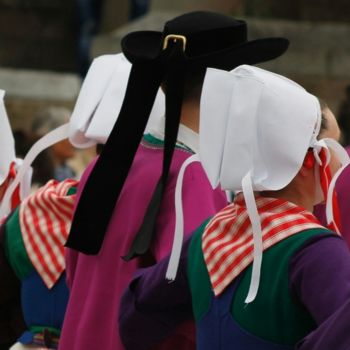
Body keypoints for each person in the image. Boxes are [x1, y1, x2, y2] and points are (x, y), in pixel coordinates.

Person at [59, 11, 289, 350]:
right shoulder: (191, 174)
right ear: (230, 90)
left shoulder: (106, 163)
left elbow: (74, 272)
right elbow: (193, 293)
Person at [119, 65, 350, 350]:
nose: (342, 162)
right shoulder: (316, 251)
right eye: (335, 149)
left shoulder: (207, 235)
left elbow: (136, 314)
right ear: (309, 161)